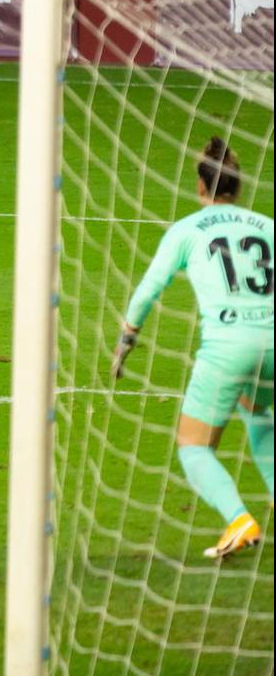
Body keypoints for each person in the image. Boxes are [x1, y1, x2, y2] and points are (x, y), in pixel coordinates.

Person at [112, 137, 274, 559]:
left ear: (200, 188)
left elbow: (149, 290)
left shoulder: (186, 230)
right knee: (254, 407)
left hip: (228, 346)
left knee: (194, 445)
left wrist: (127, 337)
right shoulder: (268, 226)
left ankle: (239, 520)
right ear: (238, 186)